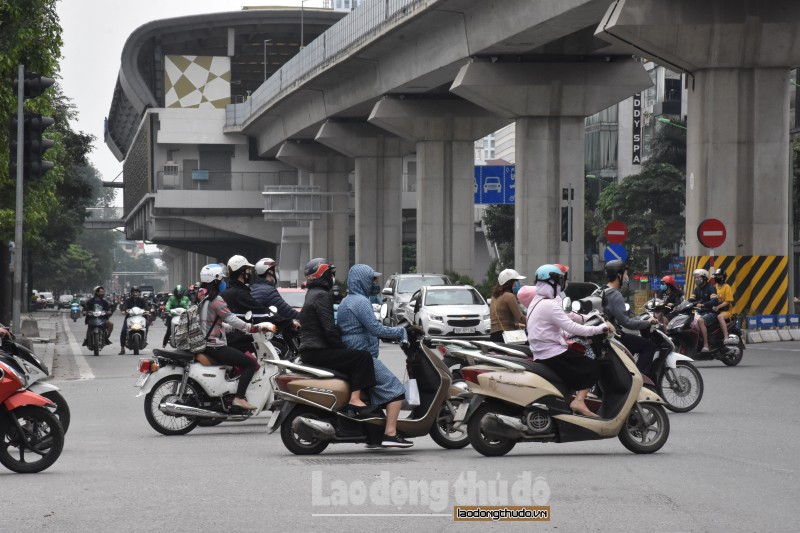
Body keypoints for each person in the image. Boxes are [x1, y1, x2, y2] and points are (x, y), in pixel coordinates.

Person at [337, 264, 413, 449]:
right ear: (362, 280)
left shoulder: (348, 300)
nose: (375, 283)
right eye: (372, 279)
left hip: (356, 353)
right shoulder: (360, 302)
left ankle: (374, 436)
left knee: (375, 395)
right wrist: (400, 332)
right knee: (395, 390)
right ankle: (391, 434)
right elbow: (375, 328)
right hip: (363, 355)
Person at [527, 265, 609, 418]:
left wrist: (588, 319)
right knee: (594, 367)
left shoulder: (536, 302)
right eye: (559, 281)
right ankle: (579, 401)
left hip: (541, 352)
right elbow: (573, 326)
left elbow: (564, 324)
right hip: (551, 353)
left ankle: (570, 400)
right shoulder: (549, 304)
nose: (560, 284)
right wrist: (600, 329)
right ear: (551, 282)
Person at [298, 258, 376, 417]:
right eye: (330, 274)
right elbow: (329, 328)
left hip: (310, 350)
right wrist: (341, 346)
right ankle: (355, 399)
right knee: (363, 358)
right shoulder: (322, 295)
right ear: (323, 275)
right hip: (317, 350)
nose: (332, 277)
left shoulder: (311, 293)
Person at [198, 263, 275, 410]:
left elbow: (212, 324)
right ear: (216, 280)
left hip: (204, 344)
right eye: (221, 280)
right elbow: (231, 318)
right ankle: (239, 398)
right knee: (250, 363)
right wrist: (252, 328)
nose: (223, 283)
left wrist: (233, 329)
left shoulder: (202, 298)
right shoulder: (216, 300)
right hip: (215, 346)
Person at [602, 260, 659, 376]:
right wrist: (647, 322)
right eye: (626, 274)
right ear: (619, 275)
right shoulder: (615, 295)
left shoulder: (601, 291)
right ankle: (641, 379)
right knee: (649, 346)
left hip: (605, 337)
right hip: (615, 337)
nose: (626, 277)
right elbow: (627, 323)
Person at [489, 268, 527, 342]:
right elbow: (520, 318)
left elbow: (502, 319)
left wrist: (517, 325)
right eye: (516, 281)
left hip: (494, 336)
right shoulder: (509, 296)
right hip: (505, 337)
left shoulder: (494, 297)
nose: (517, 284)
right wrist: (535, 321)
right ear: (509, 283)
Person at [688, 268, 718, 352]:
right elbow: (690, 300)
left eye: (698, 277)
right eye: (695, 277)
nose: (696, 279)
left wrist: (703, 304)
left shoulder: (711, 288)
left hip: (710, 312)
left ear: (704, 278)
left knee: (700, 321)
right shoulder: (696, 289)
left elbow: (714, 300)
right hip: (700, 312)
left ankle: (706, 345)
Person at [118, 286, 149, 355]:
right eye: (134, 292)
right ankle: (122, 348)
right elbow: (124, 306)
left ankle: (145, 338)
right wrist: (123, 310)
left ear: (139, 293)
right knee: (123, 330)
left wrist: (147, 311)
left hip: (141, 317)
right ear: (131, 293)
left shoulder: (142, 300)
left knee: (147, 323)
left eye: (137, 292)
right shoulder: (128, 300)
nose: (135, 293)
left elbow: (146, 307)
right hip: (129, 317)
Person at [712, 269, 734, 341]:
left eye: (718, 276)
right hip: (715, 310)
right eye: (716, 276)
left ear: (722, 277)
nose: (716, 277)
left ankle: (725, 336)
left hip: (726, 311)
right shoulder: (715, 287)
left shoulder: (727, 287)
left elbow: (728, 301)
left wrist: (718, 307)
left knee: (720, 316)